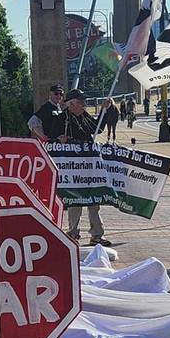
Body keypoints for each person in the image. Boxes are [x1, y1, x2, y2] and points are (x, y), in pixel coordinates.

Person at [55, 89, 111, 246]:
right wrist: (59, 140)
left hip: (89, 166)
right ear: (71, 104)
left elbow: (97, 128)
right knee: (75, 202)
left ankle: (97, 234)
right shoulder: (62, 119)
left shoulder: (84, 117)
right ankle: (73, 233)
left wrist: (103, 111)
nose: (84, 105)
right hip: (73, 170)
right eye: (81, 103)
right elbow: (52, 138)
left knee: (94, 201)